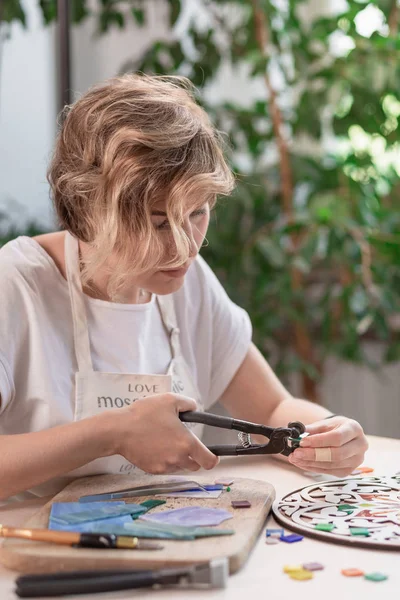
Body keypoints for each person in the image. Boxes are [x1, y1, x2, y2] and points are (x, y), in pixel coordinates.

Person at [0, 74, 368, 502]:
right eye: (157, 222)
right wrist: (110, 432)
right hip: (33, 554)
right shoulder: (16, 286)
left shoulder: (188, 282)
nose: (184, 247)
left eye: (197, 213)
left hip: (167, 537)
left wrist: (329, 434)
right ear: (87, 210)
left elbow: (271, 410)